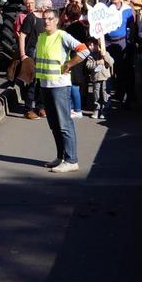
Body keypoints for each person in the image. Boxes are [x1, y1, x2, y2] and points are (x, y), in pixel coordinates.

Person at [35, 9, 89, 173]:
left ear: (57, 20)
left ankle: (72, 160)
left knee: (64, 124)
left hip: (60, 86)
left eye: (50, 19)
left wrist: (70, 63)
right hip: (46, 85)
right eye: (44, 19)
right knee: (54, 124)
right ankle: (61, 157)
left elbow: (84, 50)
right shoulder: (41, 37)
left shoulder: (62, 36)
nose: (47, 22)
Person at [19, 0, 52, 119]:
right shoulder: (31, 18)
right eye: (47, 7)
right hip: (32, 53)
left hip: (44, 53)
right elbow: (22, 36)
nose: (49, 9)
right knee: (32, 82)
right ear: (42, 6)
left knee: (42, 81)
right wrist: (23, 55)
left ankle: (41, 107)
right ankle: (28, 109)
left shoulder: (47, 20)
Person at [104, 0, 134, 105]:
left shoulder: (127, 9)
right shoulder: (104, 8)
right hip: (107, 41)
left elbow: (132, 26)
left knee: (122, 69)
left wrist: (130, 39)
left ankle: (124, 95)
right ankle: (112, 92)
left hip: (121, 42)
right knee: (108, 69)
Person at [85, 37, 113, 119]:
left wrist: (104, 56)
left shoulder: (105, 53)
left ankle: (104, 110)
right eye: (88, 45)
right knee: (96, 95)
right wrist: (97, 62)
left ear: (98, 45)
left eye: (91, 45)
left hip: (105, 78)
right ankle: (96, 109)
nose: (90, 47)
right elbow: (88, 65)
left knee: (105, 94)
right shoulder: (91, 55)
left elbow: (111, 62)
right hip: (96, 78)